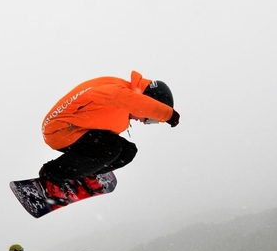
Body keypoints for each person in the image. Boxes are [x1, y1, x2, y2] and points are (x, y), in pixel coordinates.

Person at [39, 71, 180, 202]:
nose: (144, 122)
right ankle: (53, 174)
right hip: (60, 130)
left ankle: (89, 173)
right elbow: (126, 99)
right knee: (110, 149)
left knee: (127, 151)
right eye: (151, 119)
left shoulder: (122, 111)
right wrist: (167, 114)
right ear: (147, 100)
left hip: (80, 130)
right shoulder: (119, 91)